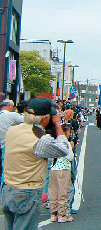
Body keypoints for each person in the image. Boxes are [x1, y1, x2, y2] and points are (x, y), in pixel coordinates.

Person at [2, 98, 69, 230]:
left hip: (8, 188)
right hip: (27, 192)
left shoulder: (12, 130)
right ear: (45, 118)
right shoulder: (39, 139)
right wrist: (57, 124)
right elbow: (64, 149)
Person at [48, 124, 75, 223]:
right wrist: (71, 147)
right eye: (68, 131)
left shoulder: (55, 142)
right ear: (64, 132)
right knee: (63, 192)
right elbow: (70, 157)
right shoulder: (66, 143)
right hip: (63, 169)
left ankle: (53, 213)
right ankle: (62, 214)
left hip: (54, 169)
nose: (70, 133)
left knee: (53, 192)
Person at [0, 100, 23, 186]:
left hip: (2, 145)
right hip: (10, 146)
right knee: (8, 172)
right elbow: (27, 121)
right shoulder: (12, 115)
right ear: (10, 106)